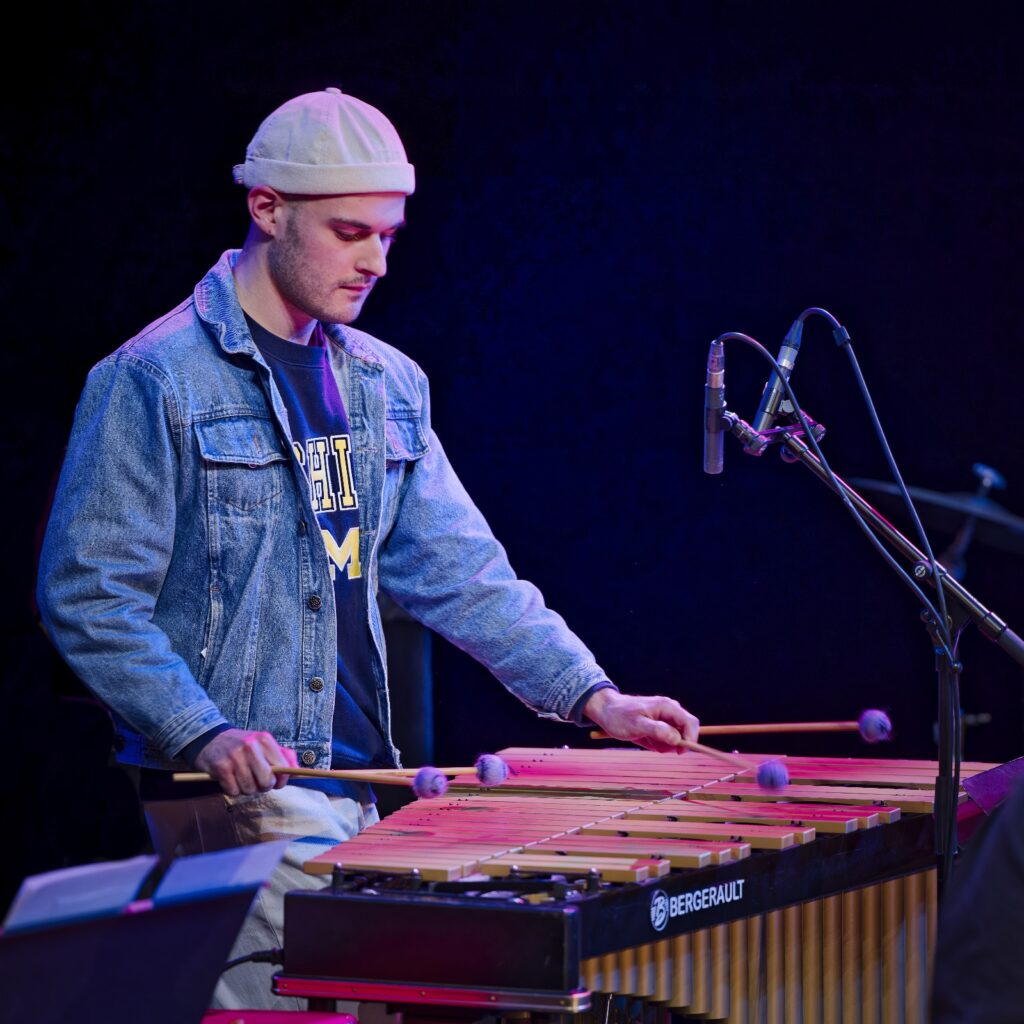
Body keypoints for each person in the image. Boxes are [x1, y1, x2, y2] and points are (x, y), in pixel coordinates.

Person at [36, 88, 699, 1008]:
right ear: (266, 209)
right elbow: (89, 595)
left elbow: (464, 575)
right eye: (351, 232)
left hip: (361, 780)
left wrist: (593, 695)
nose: (377, 261)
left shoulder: (387, 383)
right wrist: (203, 728)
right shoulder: (153, 380)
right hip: (241, 793)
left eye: (388, 234)